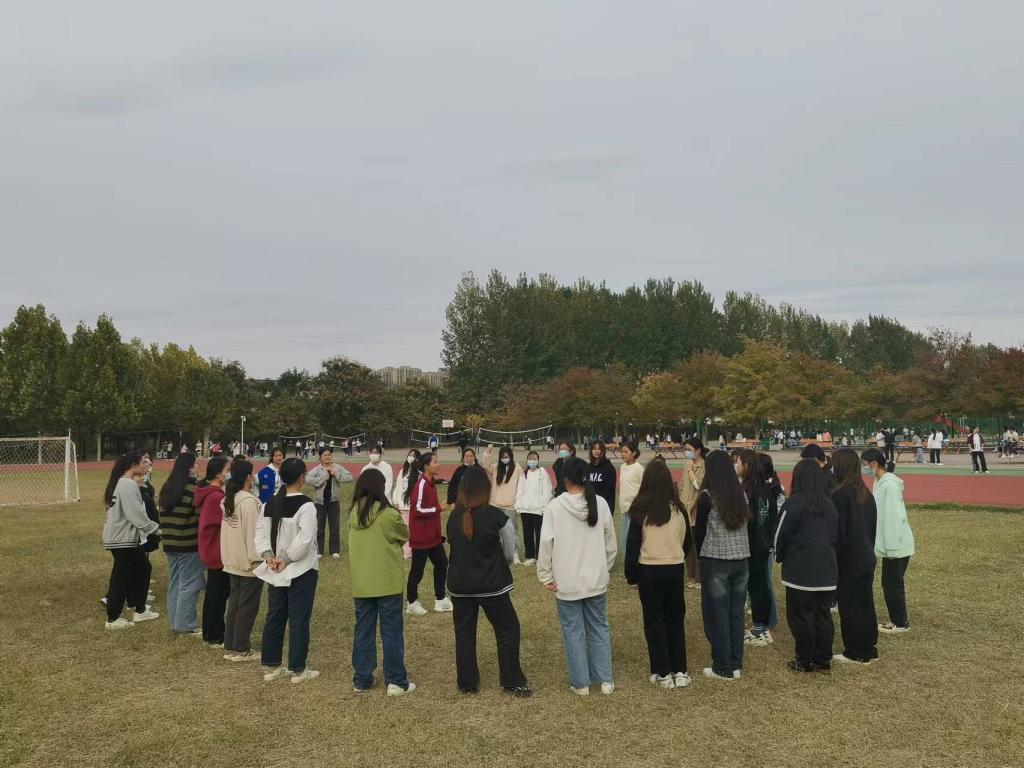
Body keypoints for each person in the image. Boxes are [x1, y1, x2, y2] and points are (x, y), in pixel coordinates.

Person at [446, 465, 532, 697]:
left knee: (464, 633)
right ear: (486, 489)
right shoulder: (496, 516)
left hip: (460, 586)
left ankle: (467, 683)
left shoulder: (453, 517)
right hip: (492, 586)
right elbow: (509, 551)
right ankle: (512, 680)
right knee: (508, 629)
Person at [538, 457, 617, 696]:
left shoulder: (556, 507)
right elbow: (610, 545)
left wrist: (545, 575)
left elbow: (545, 545)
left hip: (567, 581)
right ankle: (604, 679)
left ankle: (581, 683)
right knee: (598, 627)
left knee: (573, 631)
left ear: (565, 478)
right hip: (594, 580)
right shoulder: (599, 503)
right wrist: (604, 569)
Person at [624, 460, 693, 689]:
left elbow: (633, 547)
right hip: (674, 570)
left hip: (649, 571)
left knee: (654, 621)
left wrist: (632, 576)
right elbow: (687, 542)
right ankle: (680, 670)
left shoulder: (640, 511)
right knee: (675, 619)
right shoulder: (679, 510)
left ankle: (662, 672)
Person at [348, 467, 415, 695]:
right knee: (392, 631)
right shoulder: (388, 515)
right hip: (388, 582)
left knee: (363, 631)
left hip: (362, 583)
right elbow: (404, 534)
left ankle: (362, 679)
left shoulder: (353, 513)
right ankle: (395, 680)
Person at [254, 457, 320, 683]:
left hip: (276, 568)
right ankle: (298, 669)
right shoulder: (306, 505)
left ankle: (273, 664)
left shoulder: (268, 503)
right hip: (300, 568)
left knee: (275, 616)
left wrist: (269, 557)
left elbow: (259, 534)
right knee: (298, 618)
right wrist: (284, 559)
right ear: (302, 477)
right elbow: (305, 539)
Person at [774, 459, 839, 673]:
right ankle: (823, 658)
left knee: (801, 617)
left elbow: (780, 535)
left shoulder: (793, 503)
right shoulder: (829, 504)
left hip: (800, 571)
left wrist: (780, 555)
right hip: (827, 569)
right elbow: (835, 534)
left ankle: (804, 660)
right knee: (823, 615)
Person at [693, 450, 750, 681]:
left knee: (717, 615)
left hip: (716, 560)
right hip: (741, 559)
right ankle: (735, 663)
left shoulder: (707, 496)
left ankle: (723, 666)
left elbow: (699, 531)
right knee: (736, 613)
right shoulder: (741, 493)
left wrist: (701, 557)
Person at [829, 448, 878, 665]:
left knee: (850, 606)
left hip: (848, 559)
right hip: (866, 556)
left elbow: (839, 532)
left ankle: (855, 650)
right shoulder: (865, 493)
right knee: (865, 602)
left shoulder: (840, 495)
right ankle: (868, 646)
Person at [102, 451, 160, 629]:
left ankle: (139, 609)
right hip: (122, 539)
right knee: (122, 576)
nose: (146, 465)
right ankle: (113, 618)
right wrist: (155, 529)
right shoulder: (128, 484)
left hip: (122, 537)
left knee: (142, 568)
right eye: (143, 462)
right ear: (133, 465)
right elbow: (136, 514)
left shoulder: (122, 482)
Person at [861, 448, 915, 634]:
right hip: (892, 545)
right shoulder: (880, 482)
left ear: (874, 464)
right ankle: (899, 620)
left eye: (865, 465)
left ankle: (900, 623)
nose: (864, 469)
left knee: (892, 584)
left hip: (896, 545)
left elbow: (893, 518)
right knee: (891, 582)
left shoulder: (889, 486)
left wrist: (891, 548)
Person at [220, 459, 264, 661]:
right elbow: (253, 534)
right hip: (247, 562)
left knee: (235, 604)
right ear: (248, 477)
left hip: (233, 559)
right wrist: (257, 560)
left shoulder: (231, 499)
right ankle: (241, 648)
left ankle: (231, 643)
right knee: (247, 606)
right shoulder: (248, 502)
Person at [159, 449, 203, 634]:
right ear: (190, 467)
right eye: (197, 463)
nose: (199, 466)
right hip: (188, 542)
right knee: (190, 584)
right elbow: (200, 515)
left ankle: (175, 622)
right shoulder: (194, 489)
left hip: (170, 541)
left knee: (176, 582)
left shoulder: (167, 487)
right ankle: (185, 624)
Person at [734, 449, 775, 647]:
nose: (735, 465)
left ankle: (758, 630)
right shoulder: (766, 489)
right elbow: (771, 517)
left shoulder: (746, 490)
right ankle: (763, 628)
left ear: (746, 466)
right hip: (763, 544)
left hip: (750, 544)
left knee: (753, 587)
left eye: (737, 462)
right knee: (761, 586)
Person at [406, 452, 453, 616]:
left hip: (433, 537)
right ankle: (411, 602)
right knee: (417, 571)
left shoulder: (431, 483)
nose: (438, 464)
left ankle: (440, 599)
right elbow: (417, 509)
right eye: (435, 462)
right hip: (421, 537)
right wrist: (438, 508)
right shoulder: (421, 485)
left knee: (442, 564)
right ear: (426, 466)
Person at [196, 457, 231, 647]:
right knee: (217, 596)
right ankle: (215, 634)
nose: (228, 473)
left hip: (212, 549)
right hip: (217, 551)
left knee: (213, 594)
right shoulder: (216, 497)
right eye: (227, 469)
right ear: (218, 473)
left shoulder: (211, 494)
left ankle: (210, 633)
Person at [306, 447, 354, 559]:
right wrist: (321, 479)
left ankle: (334, 550)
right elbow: (307, 479)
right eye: (325, 455)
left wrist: (336, 474)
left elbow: (350, 477)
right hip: (320, 502)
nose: (327, 457)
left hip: (333, 501)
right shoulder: (317, 469)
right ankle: (319, 551)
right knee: (319, 527)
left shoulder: (337, 467)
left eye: (329, 455)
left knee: (334, 527)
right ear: (320, 457)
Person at [483, 445, 525, 565]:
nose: (504, 459)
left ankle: (515, 553)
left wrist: (517, 501)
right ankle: (497, 552)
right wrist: (488, 452)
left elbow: (521, 486)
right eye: (502, 457)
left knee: (513, 530)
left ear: (510, 456)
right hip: (495, 504)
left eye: (506, 456)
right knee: (496, 531)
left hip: (510, 505)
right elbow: (486, 465)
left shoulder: (517, 469)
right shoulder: (496, 467)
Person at [514, 450, 553, 565]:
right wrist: (518, 505)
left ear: (538, 460)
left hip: (538, 510)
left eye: (534, 458)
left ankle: (540, 557)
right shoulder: (524, 474)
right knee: (527, 534)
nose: (532, 461)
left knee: (540, 534)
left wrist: (544, 507)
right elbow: (519, 490)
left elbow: (547, 490)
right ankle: (530, 556)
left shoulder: (542, 472)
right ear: (527, 460)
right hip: (525, 509)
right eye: (530, 458)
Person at [680, 437, 708, 590]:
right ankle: (691, 575)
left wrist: (691, 471)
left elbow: (699, 485)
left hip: (697, 510)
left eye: (689, 450)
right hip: (685, 510)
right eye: (686, 450)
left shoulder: (704, 466)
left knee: (698, 546)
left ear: (698, 450)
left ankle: (700, 578)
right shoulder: (687, 464)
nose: (687, 453)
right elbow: (683, 486)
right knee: (689, 546)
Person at [392, 449, 421, 561]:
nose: (411, 457)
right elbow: (397, 487)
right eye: (410, 455)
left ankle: (416, 551)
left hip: (414, 506)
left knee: (415, 530)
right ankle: (407, 553)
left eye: (414, 455)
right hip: (402, 506)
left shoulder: (419, 474)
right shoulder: (402, 471)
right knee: (405, 530)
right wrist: (395, 501)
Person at [618, 441, 644, 554]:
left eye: (626, 452)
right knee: (624, 539)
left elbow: (643, 488)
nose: (623, 454)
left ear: (633, 453)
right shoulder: (622, 467)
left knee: (633, 538)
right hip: (623, 508)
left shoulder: (639, 469)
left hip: (634, 509)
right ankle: (626, 559)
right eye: (622, 452)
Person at [586, 441, 617, 521]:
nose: (596, 451)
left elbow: (610, 490)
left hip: (604, 506)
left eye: (599, 449)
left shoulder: (609, 468)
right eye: (594, 449)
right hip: (591, 506)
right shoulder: (588, 467)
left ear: (603, 451)